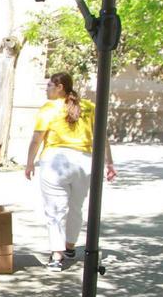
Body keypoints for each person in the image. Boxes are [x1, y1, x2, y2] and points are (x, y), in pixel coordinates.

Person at [25, 72, 117, 271]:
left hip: (55, 162)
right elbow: (102, 136)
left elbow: (36, 138)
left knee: (56, 210)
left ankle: (56, 256)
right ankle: (70, 246)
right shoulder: (89, 107)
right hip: (85, 161)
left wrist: (29, 163)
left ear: (59, 87)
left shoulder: (49, 108)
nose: (46, 89)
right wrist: (109, 163)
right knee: (76, 207)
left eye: (49, 85)